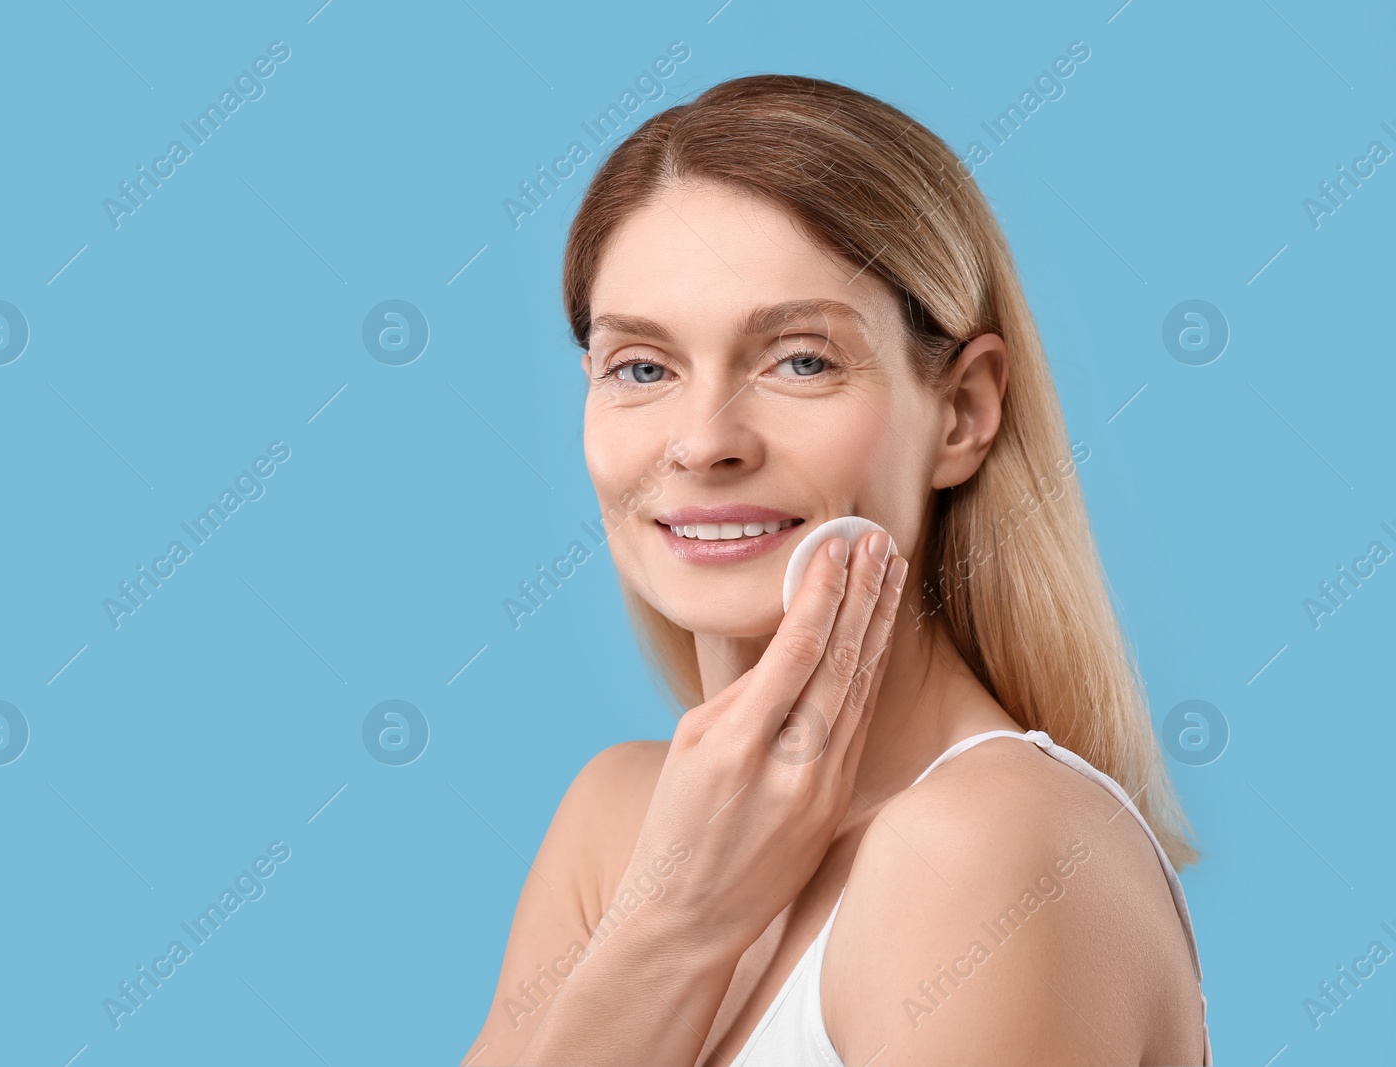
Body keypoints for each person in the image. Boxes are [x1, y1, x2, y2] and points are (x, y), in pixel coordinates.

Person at [465, 73, 1210, 1067]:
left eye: (801, 360)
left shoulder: (988, 848)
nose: (702, 442)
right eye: (641, 366)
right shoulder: (618, 823)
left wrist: (681, 919)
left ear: (963, 411)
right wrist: (675, 920)